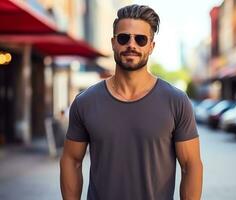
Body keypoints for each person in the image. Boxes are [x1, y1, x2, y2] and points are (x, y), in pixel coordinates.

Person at [60, 4, 203, 200]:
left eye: (141, 39)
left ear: (151, 46)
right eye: (124, 37)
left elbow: (191, 166)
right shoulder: (85, 102)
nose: (131, 45)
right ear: (113, 43)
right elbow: (71, 160)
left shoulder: (176, 101)